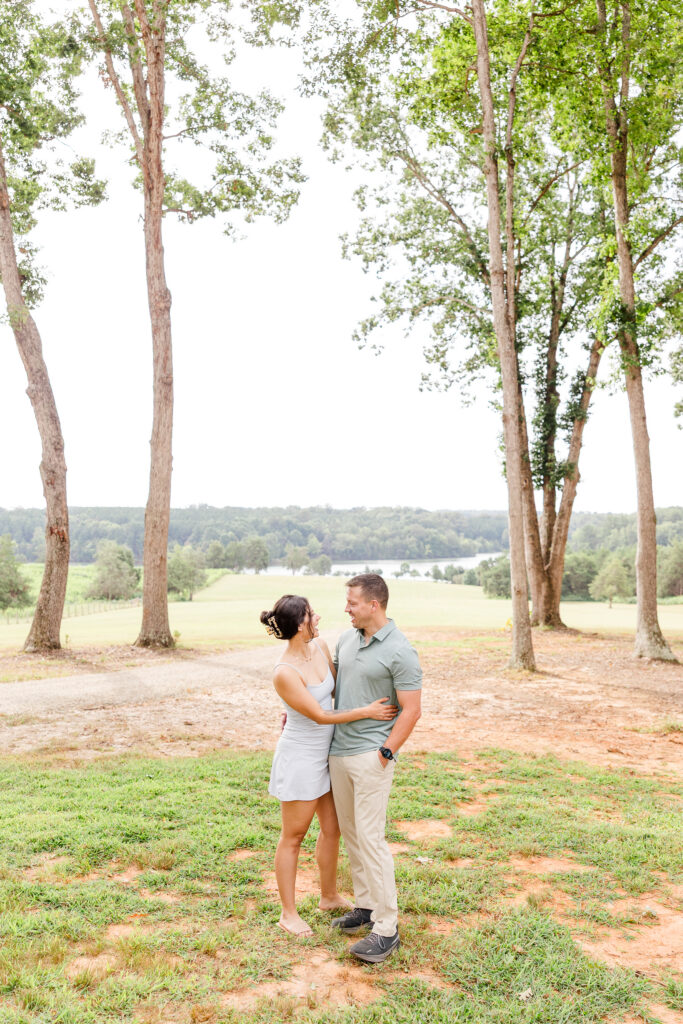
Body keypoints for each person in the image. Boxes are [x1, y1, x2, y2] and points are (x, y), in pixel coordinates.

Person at [260, 594, 398, 938]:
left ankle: (328, 895)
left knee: (333, 828)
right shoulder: (284, 672)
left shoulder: (319, 646)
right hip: (301, 759)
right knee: (293, 837)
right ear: (298, 624)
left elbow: (335, 692)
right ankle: (288, 913)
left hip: (328, 753)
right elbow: (321, 715)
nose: (318, 617)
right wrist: (367, 711)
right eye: (311, 614)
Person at [328, 573, 422, 964]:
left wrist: (386, 751)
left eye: (352, 602)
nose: (346, 608)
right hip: (338, 753)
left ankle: (387, 929)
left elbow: (412, 709)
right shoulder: (347, 639)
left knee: (371, 838)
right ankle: (365, 907)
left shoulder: (400, 650)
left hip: (371, 756)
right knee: (351, 834)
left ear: (374, 605)